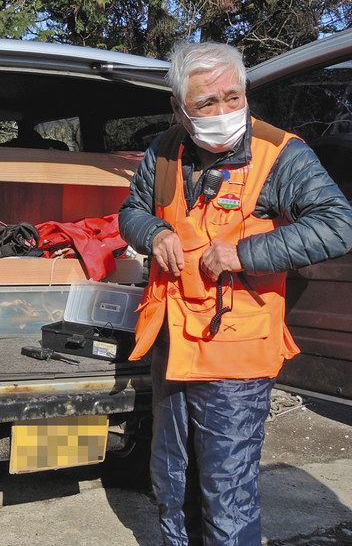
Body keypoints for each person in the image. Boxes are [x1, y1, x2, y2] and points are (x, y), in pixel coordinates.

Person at [118, 41, 352, 546]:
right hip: (172, 347)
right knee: (171, 479)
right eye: (207, 103)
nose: (224, 112)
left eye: (233, 96)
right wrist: (153, 233)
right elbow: (131, 212)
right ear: (179, 109)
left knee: (227, 493)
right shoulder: (164, 151)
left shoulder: (281, 153)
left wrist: (244, 253)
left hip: (235, 355)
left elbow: (338, 226)